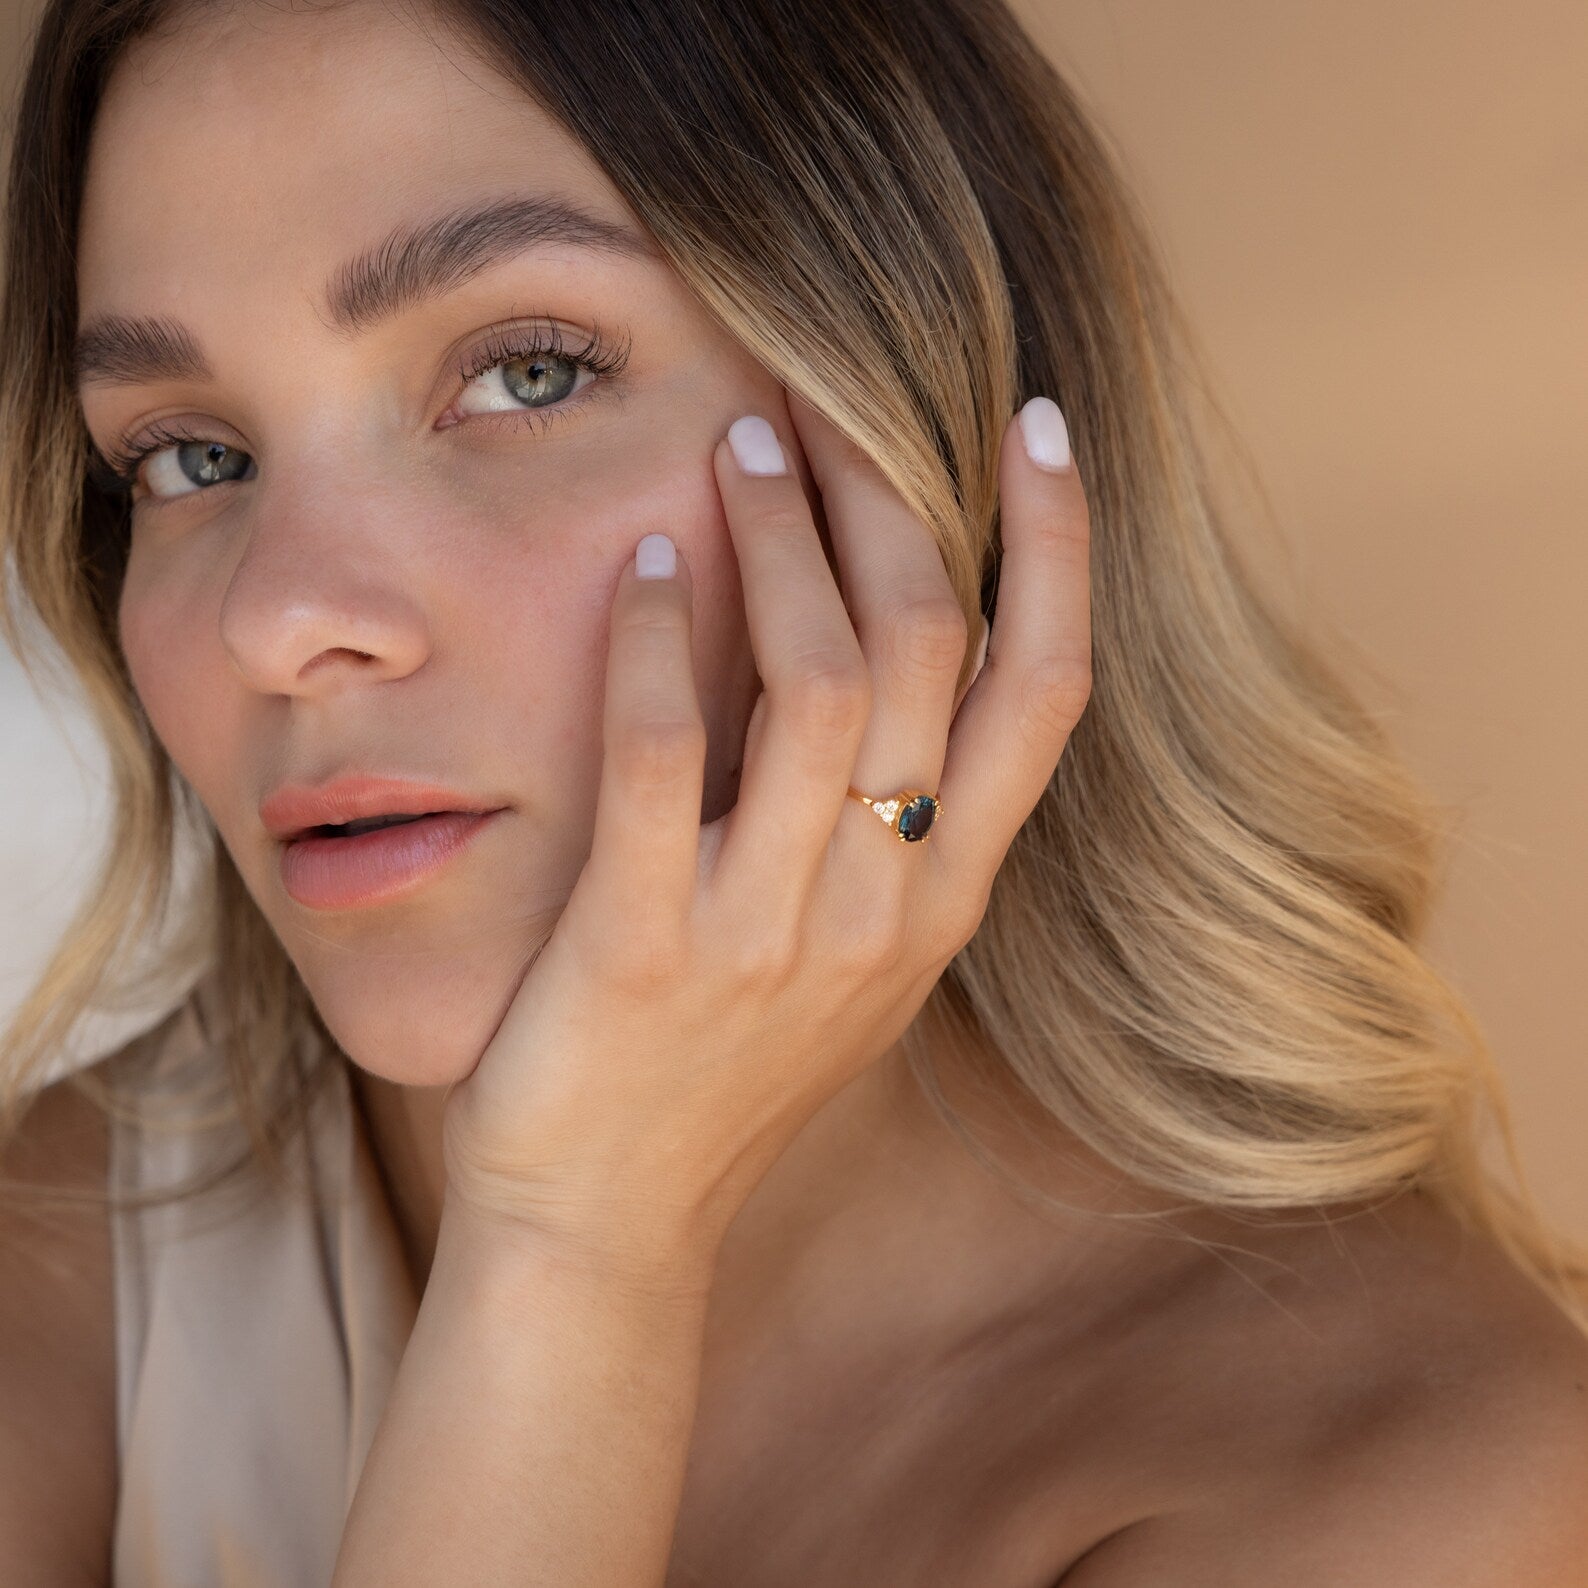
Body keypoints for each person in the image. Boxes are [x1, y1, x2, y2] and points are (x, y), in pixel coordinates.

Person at [2, 0, 1586, 1581]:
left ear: (920, 436)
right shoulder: (64, 1266)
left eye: (529, 374)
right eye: (189, 458)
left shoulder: (1415, 1490)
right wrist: (575, 1249)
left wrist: (577, 1239)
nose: (277, 621)